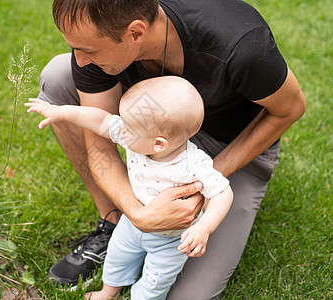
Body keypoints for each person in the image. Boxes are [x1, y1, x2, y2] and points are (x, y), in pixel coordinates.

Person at [35, 0, 306, 298]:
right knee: (59, 75)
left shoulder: (241, 46)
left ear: (136, 32)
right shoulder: (91, 42)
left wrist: (203, 184)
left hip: (229, 144)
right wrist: (137, 213)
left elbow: (291, 108)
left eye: (89, 50)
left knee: (189, 296)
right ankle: (111, 223)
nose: (81, 60)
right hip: (145, 123)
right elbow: (99, 145)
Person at [26, 76, 234, 299]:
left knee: (156, 282)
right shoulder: (135, 136)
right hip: (131, 225)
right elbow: (101, 120)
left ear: (158, 144)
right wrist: (62, 112)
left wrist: (204, 228)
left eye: (127, 127)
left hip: (172, 240)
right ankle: (108, 290)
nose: (120, 128)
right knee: (116, 257)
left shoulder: (193, 164)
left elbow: (223, 193)